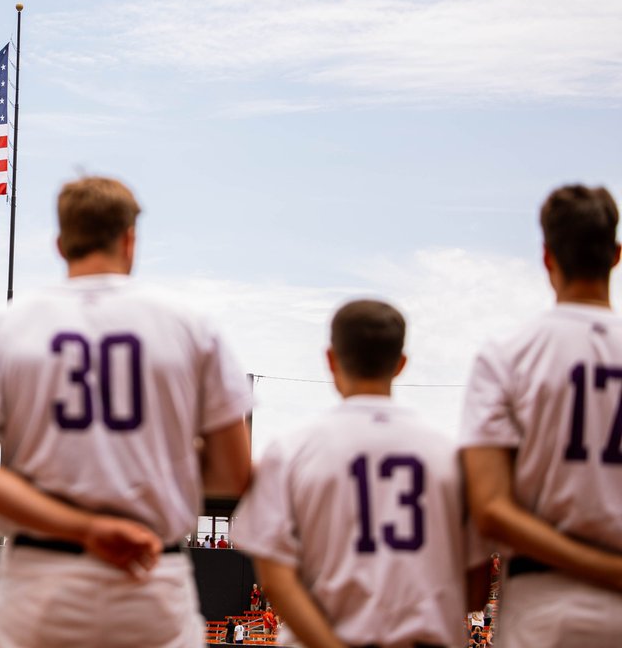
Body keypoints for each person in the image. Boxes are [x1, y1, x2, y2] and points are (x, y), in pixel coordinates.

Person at [0, 176, 253, 648]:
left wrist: (85, 526)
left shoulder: (3, 327)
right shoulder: (192, 327)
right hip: (150, 575)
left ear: (60, 243)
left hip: (39, 581)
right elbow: (234, 474)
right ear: (130, 240)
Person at [232, 300, 484, 648]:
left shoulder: (292, 449)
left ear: (331, 359)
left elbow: (275, 580)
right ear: (401, 363)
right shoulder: (450, 454)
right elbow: (477, 586)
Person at [461, 184, 622, 645]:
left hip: (543, 605)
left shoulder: (505, 357)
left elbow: (489, 510)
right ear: (615, 254)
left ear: (547, 255)